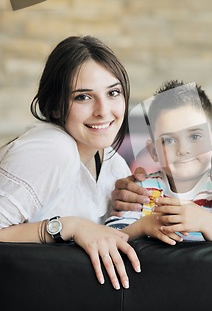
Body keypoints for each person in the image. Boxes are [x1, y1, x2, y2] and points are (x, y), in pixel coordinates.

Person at [0, 35, 140, 291]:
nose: (103, 110)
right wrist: (67, 225)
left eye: (113, 93)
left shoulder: (111, 162)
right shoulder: (53, 149)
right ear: (55, 107)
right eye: (83, 97)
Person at [105, 80, 212, 243]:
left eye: (195, 136)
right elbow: (110, 238)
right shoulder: (141, 191)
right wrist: (143, 225)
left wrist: (206, 223)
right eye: (169, 140)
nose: (183, 150)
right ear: (154, 151)